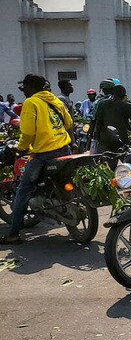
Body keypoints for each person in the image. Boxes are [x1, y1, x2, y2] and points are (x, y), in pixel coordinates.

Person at [0, 74, 73, 244]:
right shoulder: (55, 100)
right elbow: (69, 123)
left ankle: (14, 233)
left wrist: (20, 148)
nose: (23, 90)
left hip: (44, 153)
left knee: (23, 189)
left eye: (24, 87)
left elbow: (28, 133)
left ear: (31, 87)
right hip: (64, 148)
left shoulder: (31, 103)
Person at [93, 85, 131, 152]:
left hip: (105, 140)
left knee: (102, 160)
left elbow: (98, 122)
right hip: (121, 140)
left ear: (113, 93)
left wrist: (97, 136)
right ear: (123, 95)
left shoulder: (102, 104)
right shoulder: (128, 107)